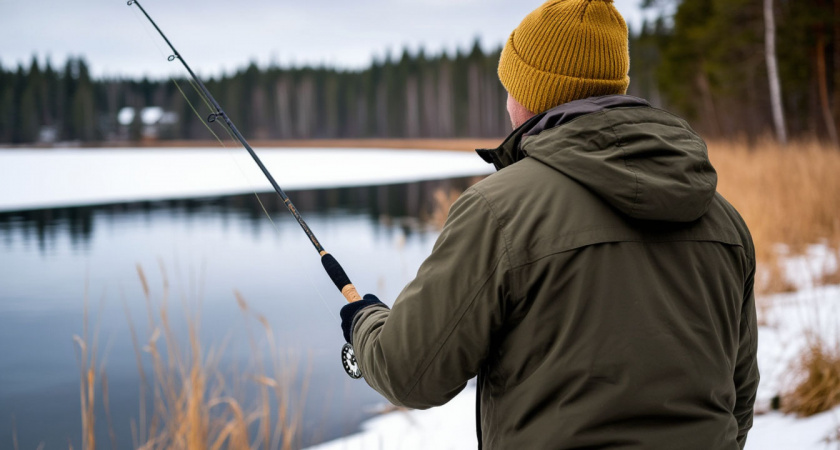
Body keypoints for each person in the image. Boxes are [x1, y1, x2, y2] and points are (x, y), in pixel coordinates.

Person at [339, 0, 759, 448]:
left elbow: (409, 374)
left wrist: (365, 323)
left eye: (511, 86)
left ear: (532, 95)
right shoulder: (724, 218)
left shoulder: (498, 210)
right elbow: (739, 397)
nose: (506, 102)